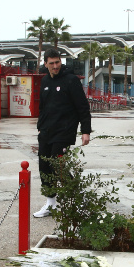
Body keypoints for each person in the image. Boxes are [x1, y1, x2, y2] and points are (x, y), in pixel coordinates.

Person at [34, 49, 92, 218]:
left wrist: (85, 131)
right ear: (45, 64)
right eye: (51, 63)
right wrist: (40, 126)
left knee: (58, 166)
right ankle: (50, 204)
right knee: (44, 167)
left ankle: (79, 201)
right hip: (46, 131)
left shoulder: (71, 80)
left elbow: (82, 107)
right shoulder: (44, 81)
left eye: (57, 62)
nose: (55, 66)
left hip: (64, 132)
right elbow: (42, 107)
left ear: (61, 62)